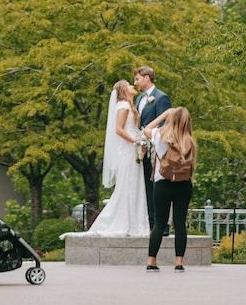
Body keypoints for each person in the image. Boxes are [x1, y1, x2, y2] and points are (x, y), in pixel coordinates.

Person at [63, 81, 149, 237]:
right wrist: (136, 141)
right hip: (127, 151)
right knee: (127, 186)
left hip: (132, 150)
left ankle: (134, 223)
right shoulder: (123, 106)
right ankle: (124, 223)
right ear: (124, 90)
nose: (132, 86)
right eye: (129, 85)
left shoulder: (128, 105)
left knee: (133, 186)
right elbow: (119, 130)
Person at [143, 107, 196, 273]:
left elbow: (146, 130)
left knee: (159, 223)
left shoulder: (160, 136)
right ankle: (179, 262)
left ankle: (151, 261)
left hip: (162, 183)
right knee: (180, 224)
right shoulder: (189, 141)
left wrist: (164, 115)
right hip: (184, 185)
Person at [134, 66, 171, 230]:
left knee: (158, 188)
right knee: (146, 187)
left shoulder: (161, 98)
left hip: (156, 150)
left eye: (137, 79)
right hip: (142, 150)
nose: (135, 83)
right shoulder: (139, 99)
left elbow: (165, 125)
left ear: (147, 78)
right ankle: (150, 223)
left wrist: (153, 143)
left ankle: (161, 225)